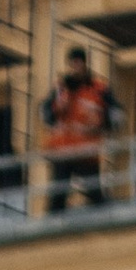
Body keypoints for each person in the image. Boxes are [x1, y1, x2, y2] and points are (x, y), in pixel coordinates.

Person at [40, 53, 108, 207]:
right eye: (73, 64)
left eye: (79, 63)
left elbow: (114, 115)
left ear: (85, 64)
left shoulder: (99, 89)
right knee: (58, 196)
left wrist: (103, 124)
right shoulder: (61, 89)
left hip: (86, 151)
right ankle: (54, 227)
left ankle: (106, 225)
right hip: (62, 150)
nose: (76, 67)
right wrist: (57, 109)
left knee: (95, 194)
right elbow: (46, 114)